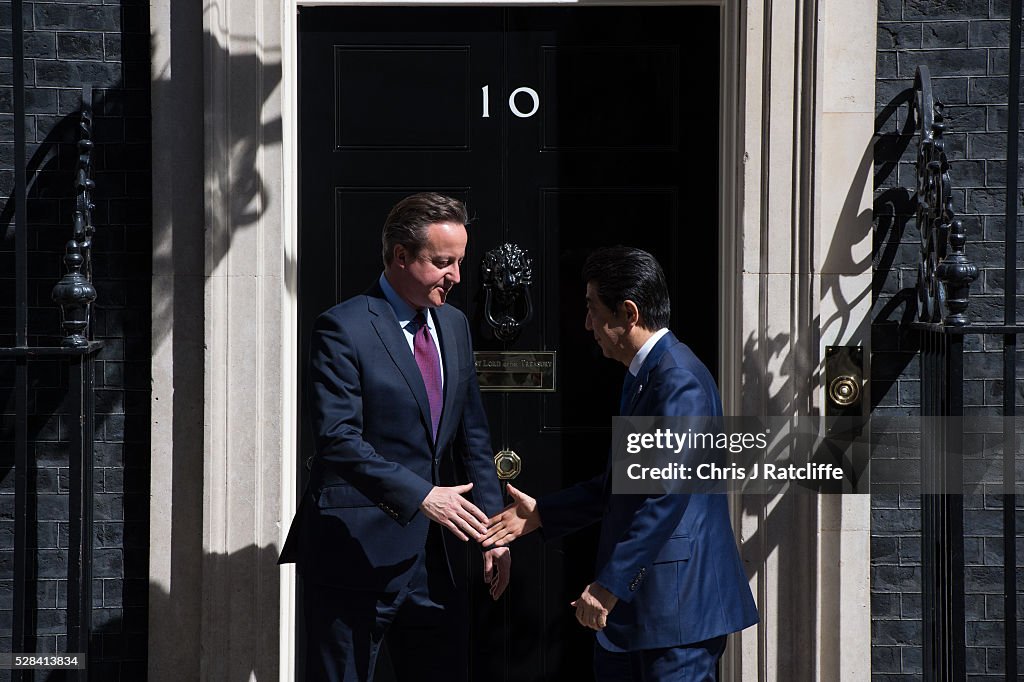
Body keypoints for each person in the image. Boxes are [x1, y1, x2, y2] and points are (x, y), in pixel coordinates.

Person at [482, 246, 757, 681]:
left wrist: (609, 585)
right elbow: (623, 486)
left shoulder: (678, 380)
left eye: (592, 309)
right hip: (644, 617)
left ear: (628, 313)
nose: (587, 324)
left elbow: (664, 496)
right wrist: (543, 514)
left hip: (676, 616)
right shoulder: (647, 375)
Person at [280, 192, 510, 682]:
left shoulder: (455, 325)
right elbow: (337, 438)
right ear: (401, 256)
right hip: (353, 554)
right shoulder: (342, 327)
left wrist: (492, 532)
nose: (457, 277)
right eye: (443, 262)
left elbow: (473, 436)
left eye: (460, 262)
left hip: (432, 559)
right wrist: (423, 495)